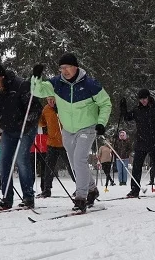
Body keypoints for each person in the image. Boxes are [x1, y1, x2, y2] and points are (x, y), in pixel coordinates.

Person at [31, 53, 112, 212]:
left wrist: (101, 123)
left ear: (76, 67)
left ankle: (81, 197)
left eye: (67, 67)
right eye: (61, 68)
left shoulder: (90, 84)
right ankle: (92, 189)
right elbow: (37, 91)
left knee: (79, 159)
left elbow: (105, 103)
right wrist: (36, 76)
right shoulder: (56, 83)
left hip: (87, 127)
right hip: (67, 129)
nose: (64, 71)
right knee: (75, 163)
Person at [0, 63, 42, 209]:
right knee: (3, 162)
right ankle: (6, 198)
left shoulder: (19, 85)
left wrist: (29, 120)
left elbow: (34, 106)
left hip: (25, 128)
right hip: (9, 130)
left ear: (2, 77)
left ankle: (28, 198)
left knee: (22, 159)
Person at [121, 89, 155, 197]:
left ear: (148, 97)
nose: (143, 101)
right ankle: (134, 189)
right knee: (137, 167)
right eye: (141, 99)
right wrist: (123, 108)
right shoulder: (137, 110)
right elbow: (127, 117)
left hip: (154, 141)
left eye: (145, 98)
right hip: (141, 141)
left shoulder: (154, 107)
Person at [38, 96, 75, 197]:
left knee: (71, 166)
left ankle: (80, 186)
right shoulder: (46, 109)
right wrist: (38, 116)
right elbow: (42, 123)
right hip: (52, 143)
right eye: (48, 100)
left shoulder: (63, 107)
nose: (50, 102)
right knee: (48, 167)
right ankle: (46, 189)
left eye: (52, 100)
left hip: (65, 142)